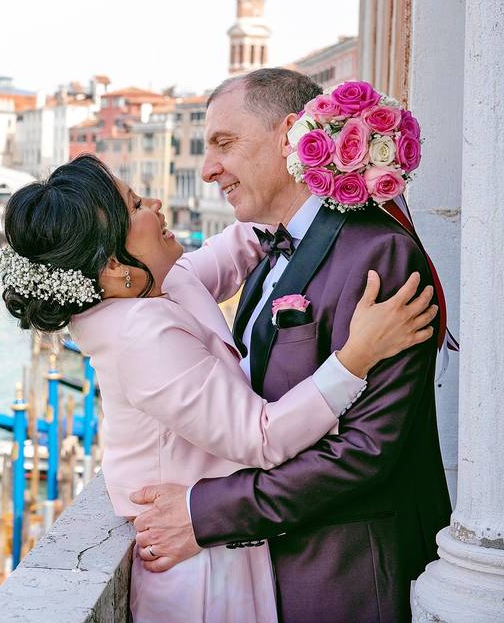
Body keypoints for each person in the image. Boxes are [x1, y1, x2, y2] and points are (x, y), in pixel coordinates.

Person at [0, 154, 437, 622]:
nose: (157, 203)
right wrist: (357, 355)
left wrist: (321, 163)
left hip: (224, 541)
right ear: (110, 266)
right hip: (201, 573)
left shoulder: (157, 283)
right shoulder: (139, 339)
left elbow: (243, 242)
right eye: (137, 204)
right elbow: (261, 437)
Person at [130, 69, 452, 622]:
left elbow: (365, 452)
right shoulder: (270, 249)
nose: (208, 170)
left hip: (342, 578)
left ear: (288, 135)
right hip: (274, 571)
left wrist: (204, 514)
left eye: (224, 145)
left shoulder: (378, 255)